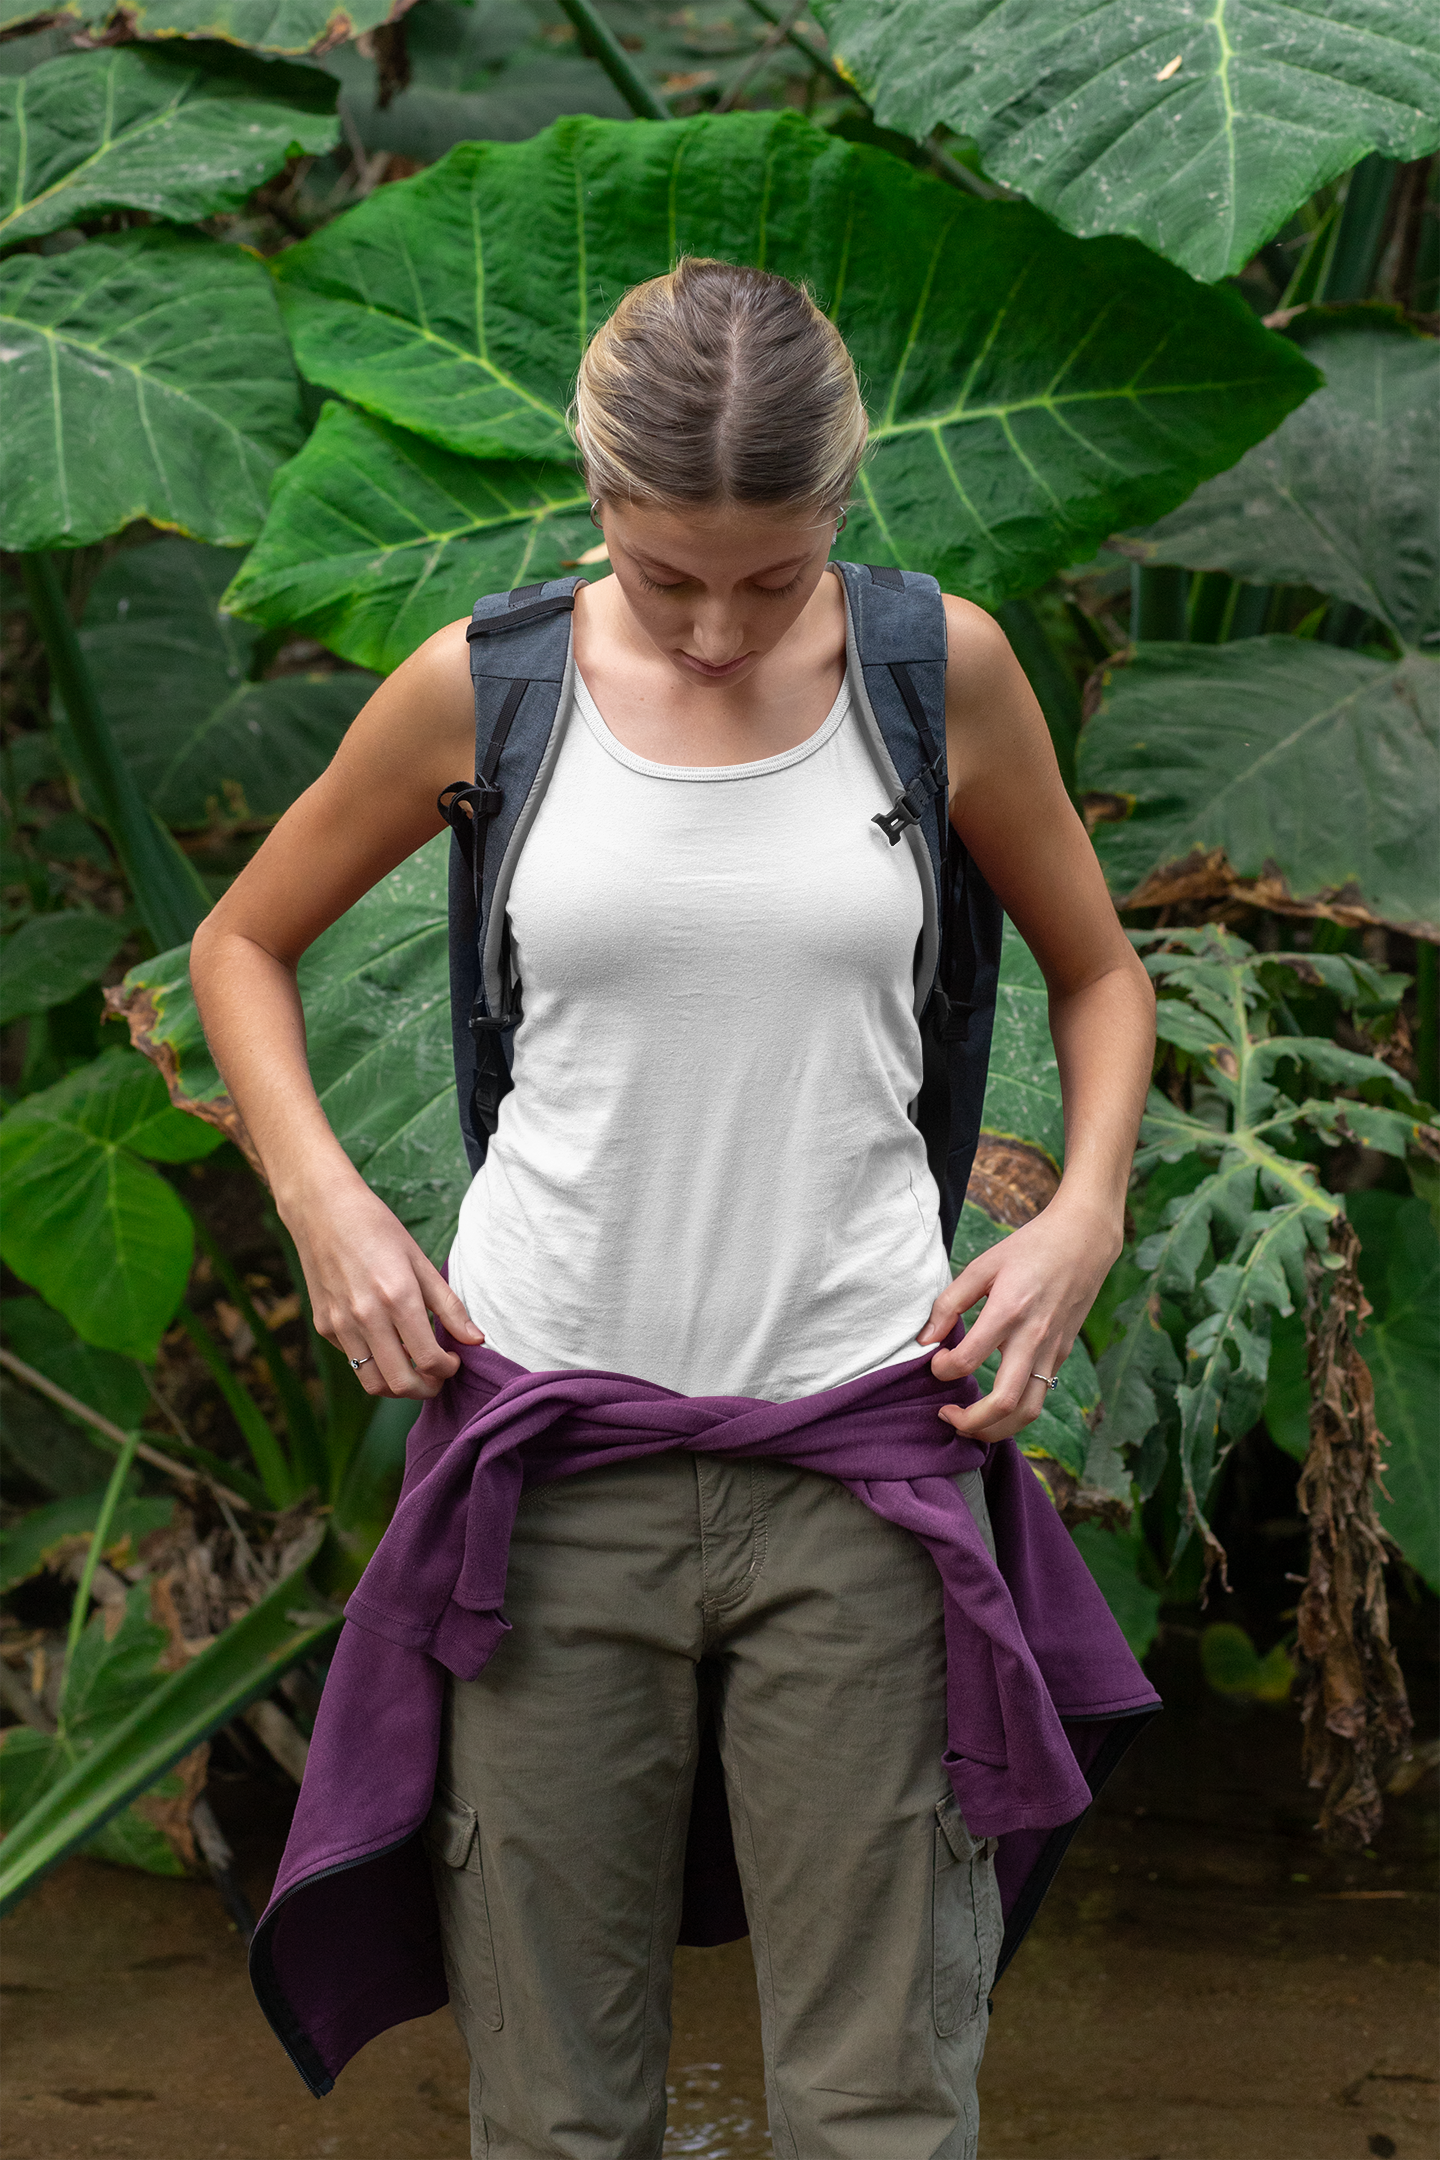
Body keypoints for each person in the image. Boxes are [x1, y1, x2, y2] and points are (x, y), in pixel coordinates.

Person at [192, 258, 1156, 2160]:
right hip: (551, 1468)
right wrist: (323, 1203)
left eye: (773, 578)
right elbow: (242, 942)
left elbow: (1100, 975)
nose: (717, 628)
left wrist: (1084, 1214)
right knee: (556, 2112)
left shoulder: (932, 669)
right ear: (595, 502)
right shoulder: (489, 688)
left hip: (868, 1452)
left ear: (841, 514)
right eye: (664, 578)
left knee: (878, 2103)